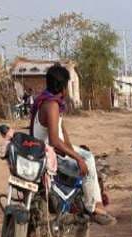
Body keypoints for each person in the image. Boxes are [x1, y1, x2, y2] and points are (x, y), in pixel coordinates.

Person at [30, 64, 115, 225]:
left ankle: (90, 201)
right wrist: (77, 158)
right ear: (62, 87)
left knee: (86, 154)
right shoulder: (52, 106)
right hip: (49, 155)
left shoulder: (46, 101)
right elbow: (55, 140)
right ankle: (93, 207)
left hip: (49, 150)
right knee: (88, 164)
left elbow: (61, 130)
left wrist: (72, 148)